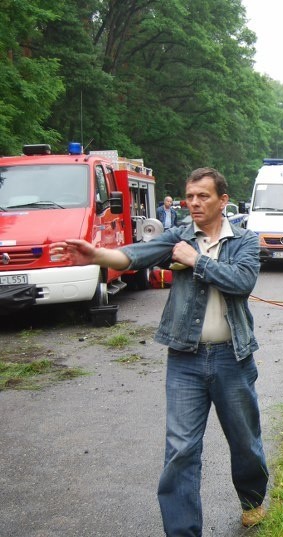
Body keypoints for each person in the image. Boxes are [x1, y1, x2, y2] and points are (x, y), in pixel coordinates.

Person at [52, 168, 269, 535]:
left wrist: (197, 260)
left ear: (223, 201)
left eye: (203, 196)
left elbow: (243, 282)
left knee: (245, 441)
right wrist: (96, 255)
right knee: (181, 449)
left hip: (233, 357)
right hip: (185, 358)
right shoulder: (177, 238)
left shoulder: (245, 240)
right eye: (190, 196)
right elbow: (135, 256)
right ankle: (182, 531)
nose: (194, 203)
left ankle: (251, 499)